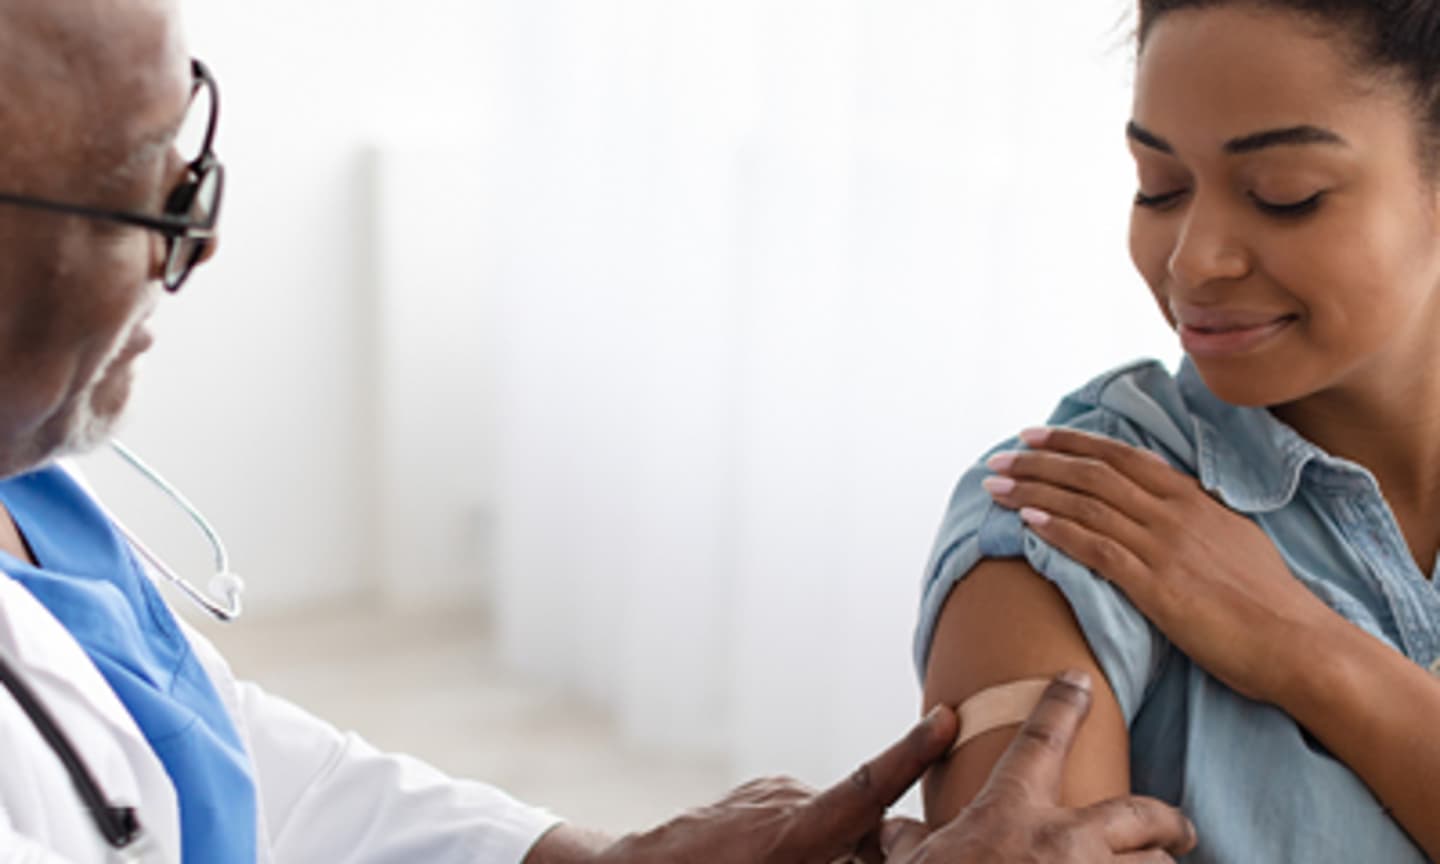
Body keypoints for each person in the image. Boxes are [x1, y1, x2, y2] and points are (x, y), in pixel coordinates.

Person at [0, 0, 1202, 861]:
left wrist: (597, 859)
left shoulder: (37, 487)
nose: (199, 239)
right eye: (144, 191)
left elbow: (230, 756)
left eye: (191, 151)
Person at [916, 1, 1440, 862]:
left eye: (1285, 197)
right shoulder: (1066, 515)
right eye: (1158, 185)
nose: (1193, 260)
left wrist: (1309, 651)